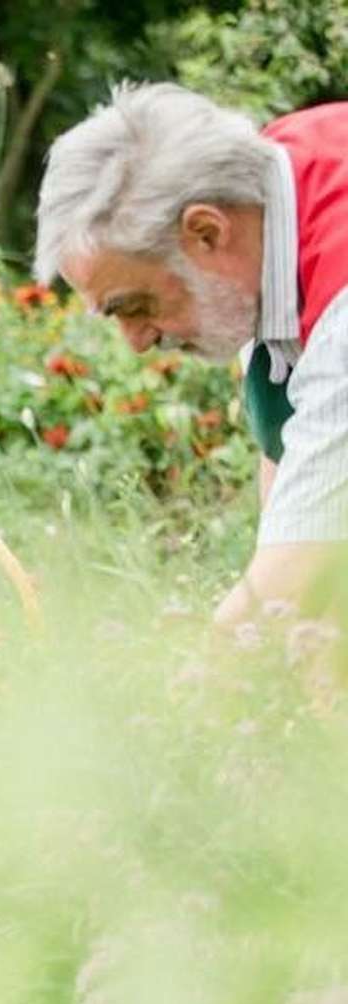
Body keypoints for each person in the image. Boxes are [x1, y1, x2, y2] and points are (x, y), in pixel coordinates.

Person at [34, 83, 348, 625]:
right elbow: (298, 480)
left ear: (205, 232)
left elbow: (291, 575)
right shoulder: (265, 196)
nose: (135, 341)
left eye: (134, 305)